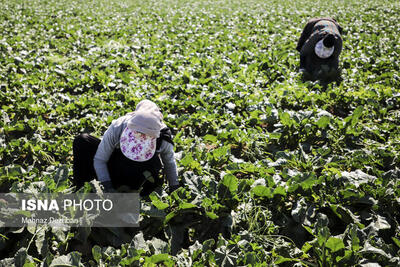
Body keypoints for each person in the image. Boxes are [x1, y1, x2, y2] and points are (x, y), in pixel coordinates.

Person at [72, 100, 179, 196]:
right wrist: (107, 186)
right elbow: (100, 159)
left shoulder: (163, 138)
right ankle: (83, 192)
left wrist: (174, 189)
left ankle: (138, 193)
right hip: (117, 166)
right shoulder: (118, 126)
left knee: (153, 173)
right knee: (82, 141)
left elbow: (169, 163)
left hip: (141, 174)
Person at [296, 17, 343, 81]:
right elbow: (303, 52)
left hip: (333, 25)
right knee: (301, 46)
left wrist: (332, 72)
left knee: (330, 62)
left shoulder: (338, 42)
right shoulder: (315, 37)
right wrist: (302, 68)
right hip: (315, 23)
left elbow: (335, 58)